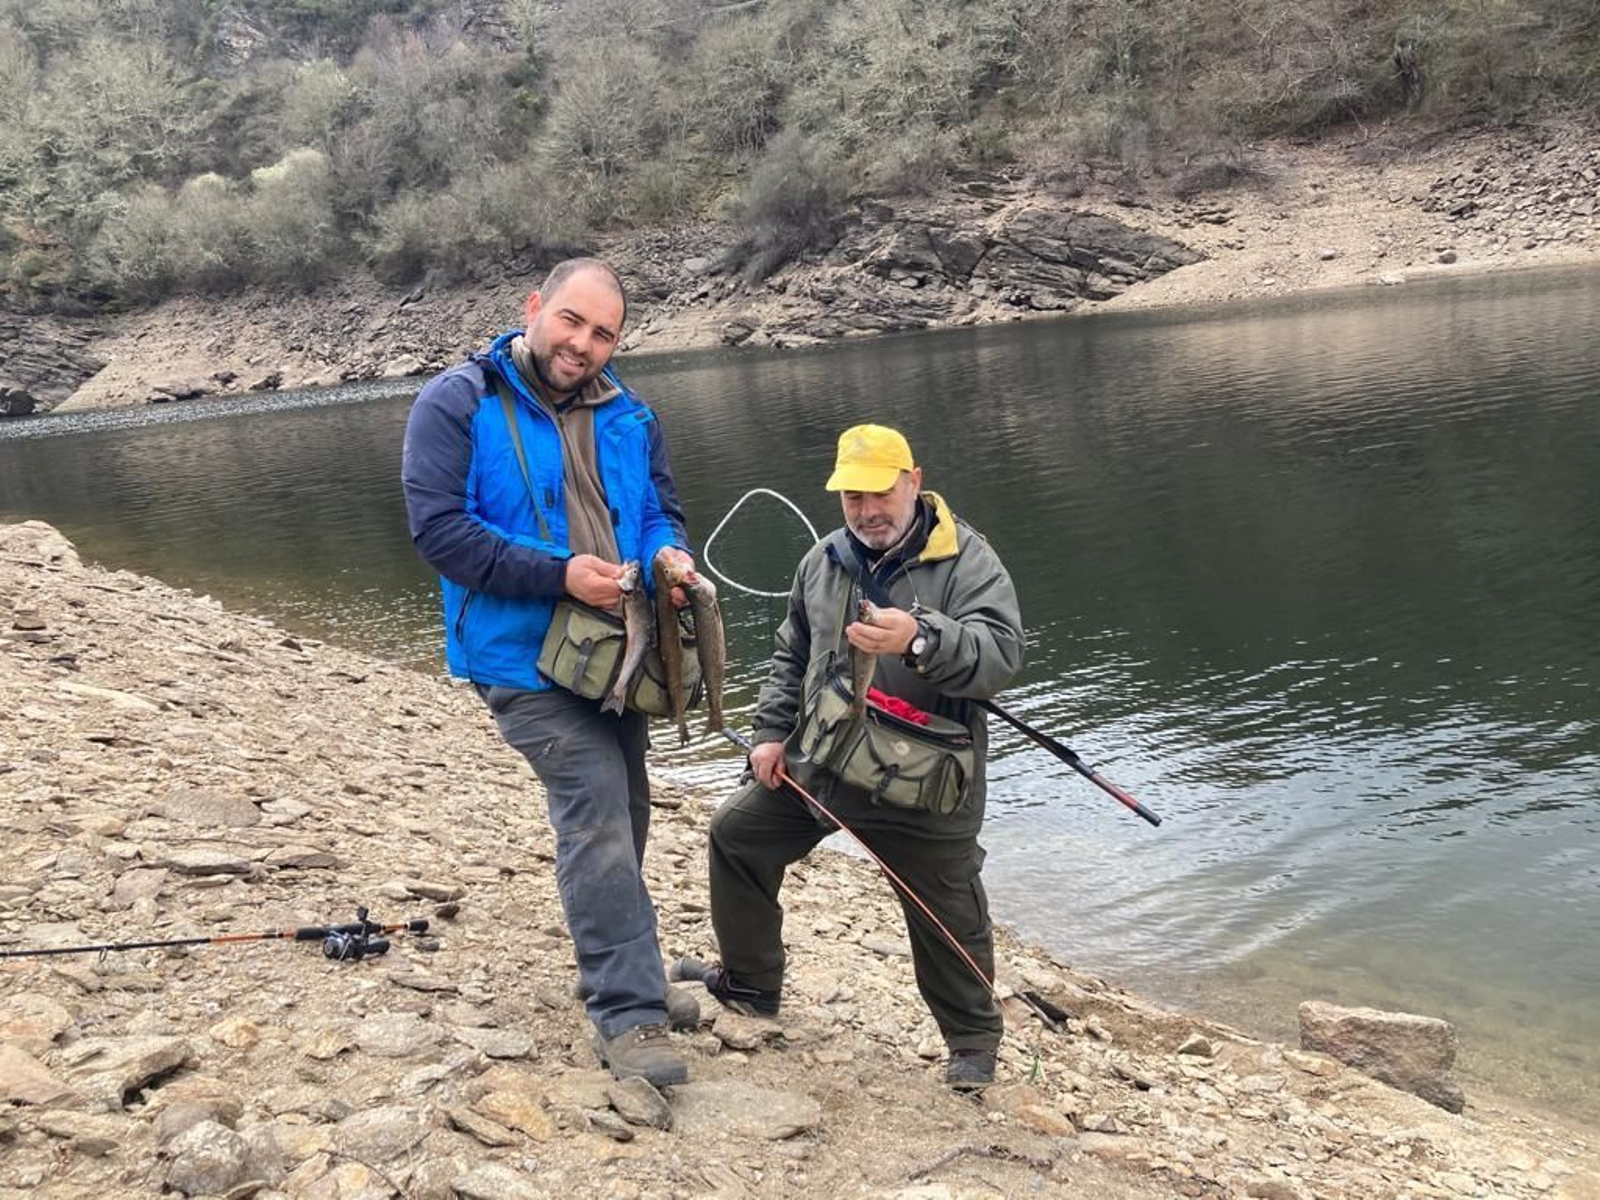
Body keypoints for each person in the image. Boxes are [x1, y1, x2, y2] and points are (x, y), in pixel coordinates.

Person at [401, 258, 699, 1088]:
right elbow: (440, 534)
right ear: (533, 308)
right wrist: (562, 572)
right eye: (572, 321)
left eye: (604, 333)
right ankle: (628, 1015)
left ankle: (618, 965)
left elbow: (656, 512)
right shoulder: (456, 402)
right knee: (597, 814)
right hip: (521, 663)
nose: (583, 344)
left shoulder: (632, 413)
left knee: (629, 812)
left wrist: (666, 553)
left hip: (619, 655)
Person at [699, 424, 1025, 1090]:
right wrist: (767, 733)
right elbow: (792, 656)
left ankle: (971, 1042)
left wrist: (921, 639)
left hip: (926, 777)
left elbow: (1000, 658)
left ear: (914, 480)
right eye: (854, 497)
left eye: (880, 493)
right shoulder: (822, 562)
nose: (869, 510)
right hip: (822, 763)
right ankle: (751, 984)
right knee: (736, 836)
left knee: (948, 907)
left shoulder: (969, 559)